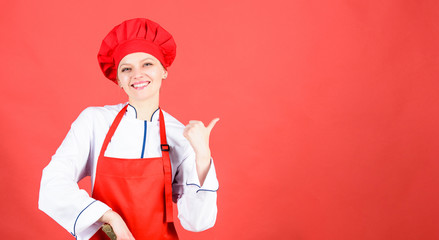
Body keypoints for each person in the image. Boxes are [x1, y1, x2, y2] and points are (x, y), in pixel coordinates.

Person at [38, 18, 219, 240]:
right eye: (127, 68)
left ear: (164, 71)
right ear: (119, 80)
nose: (137, 74)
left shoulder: (181, 136)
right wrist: (109, 217)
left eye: (147, 64)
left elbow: (197, 222)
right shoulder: (94, 122)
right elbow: (52, 183)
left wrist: (203, 156)